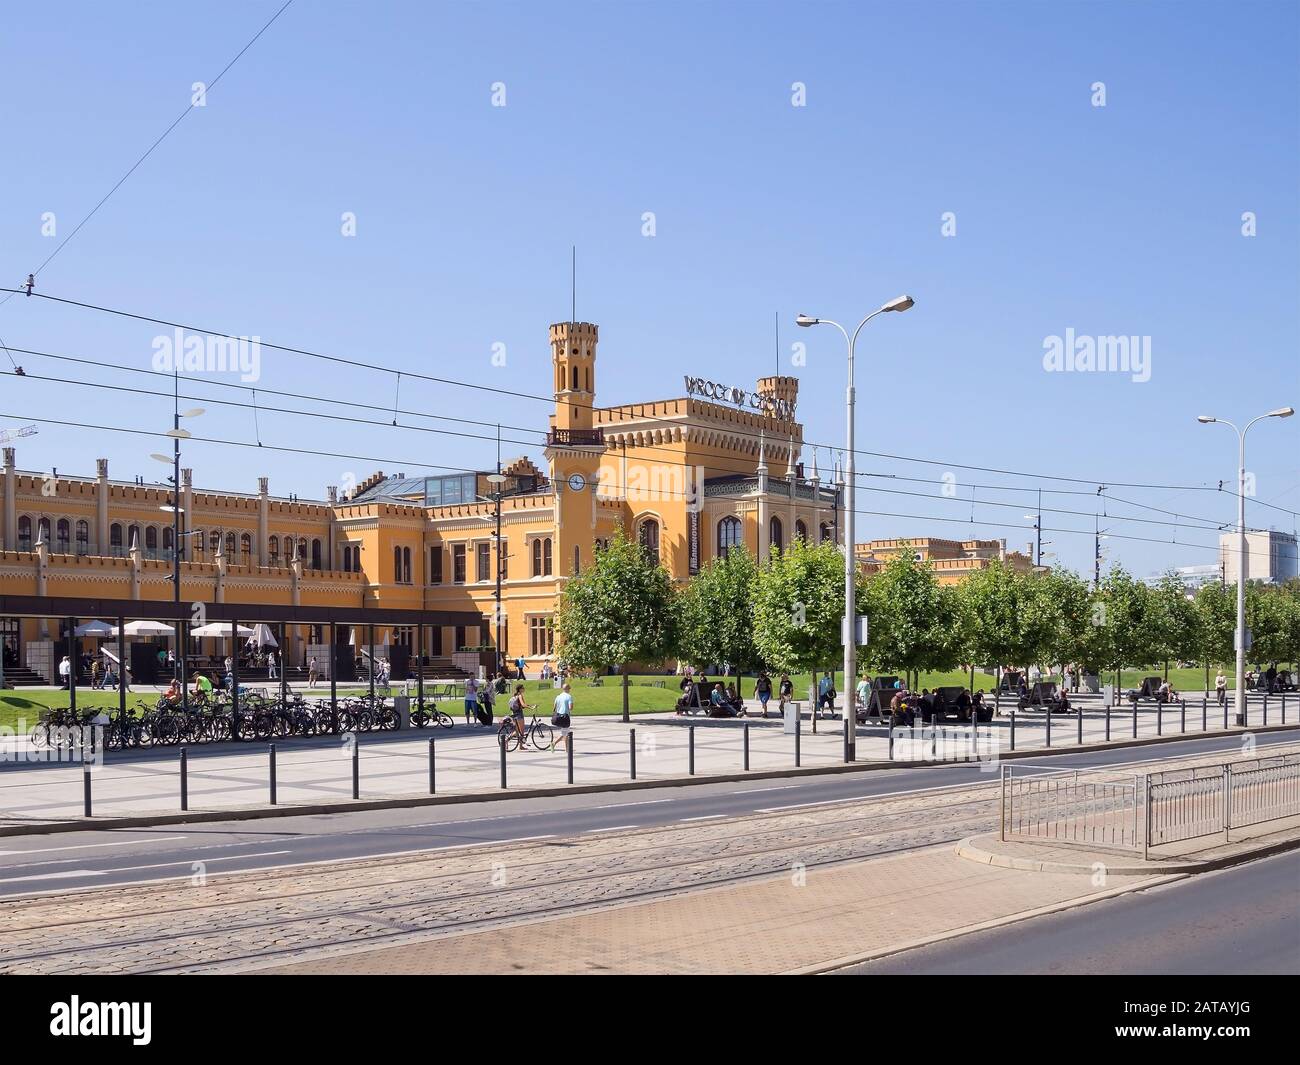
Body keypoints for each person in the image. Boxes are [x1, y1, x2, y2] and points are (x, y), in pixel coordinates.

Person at [551, 682, 573, 751]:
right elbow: (570, 707)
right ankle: (554, 743)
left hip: (558, 717)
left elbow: (554, 707)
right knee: (565, 732)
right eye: (569, 688)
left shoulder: (558, 696)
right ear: (567, 689)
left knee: (565, 732)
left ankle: (566, 749)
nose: (569, 690)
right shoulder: (569, 696)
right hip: (565, 717)